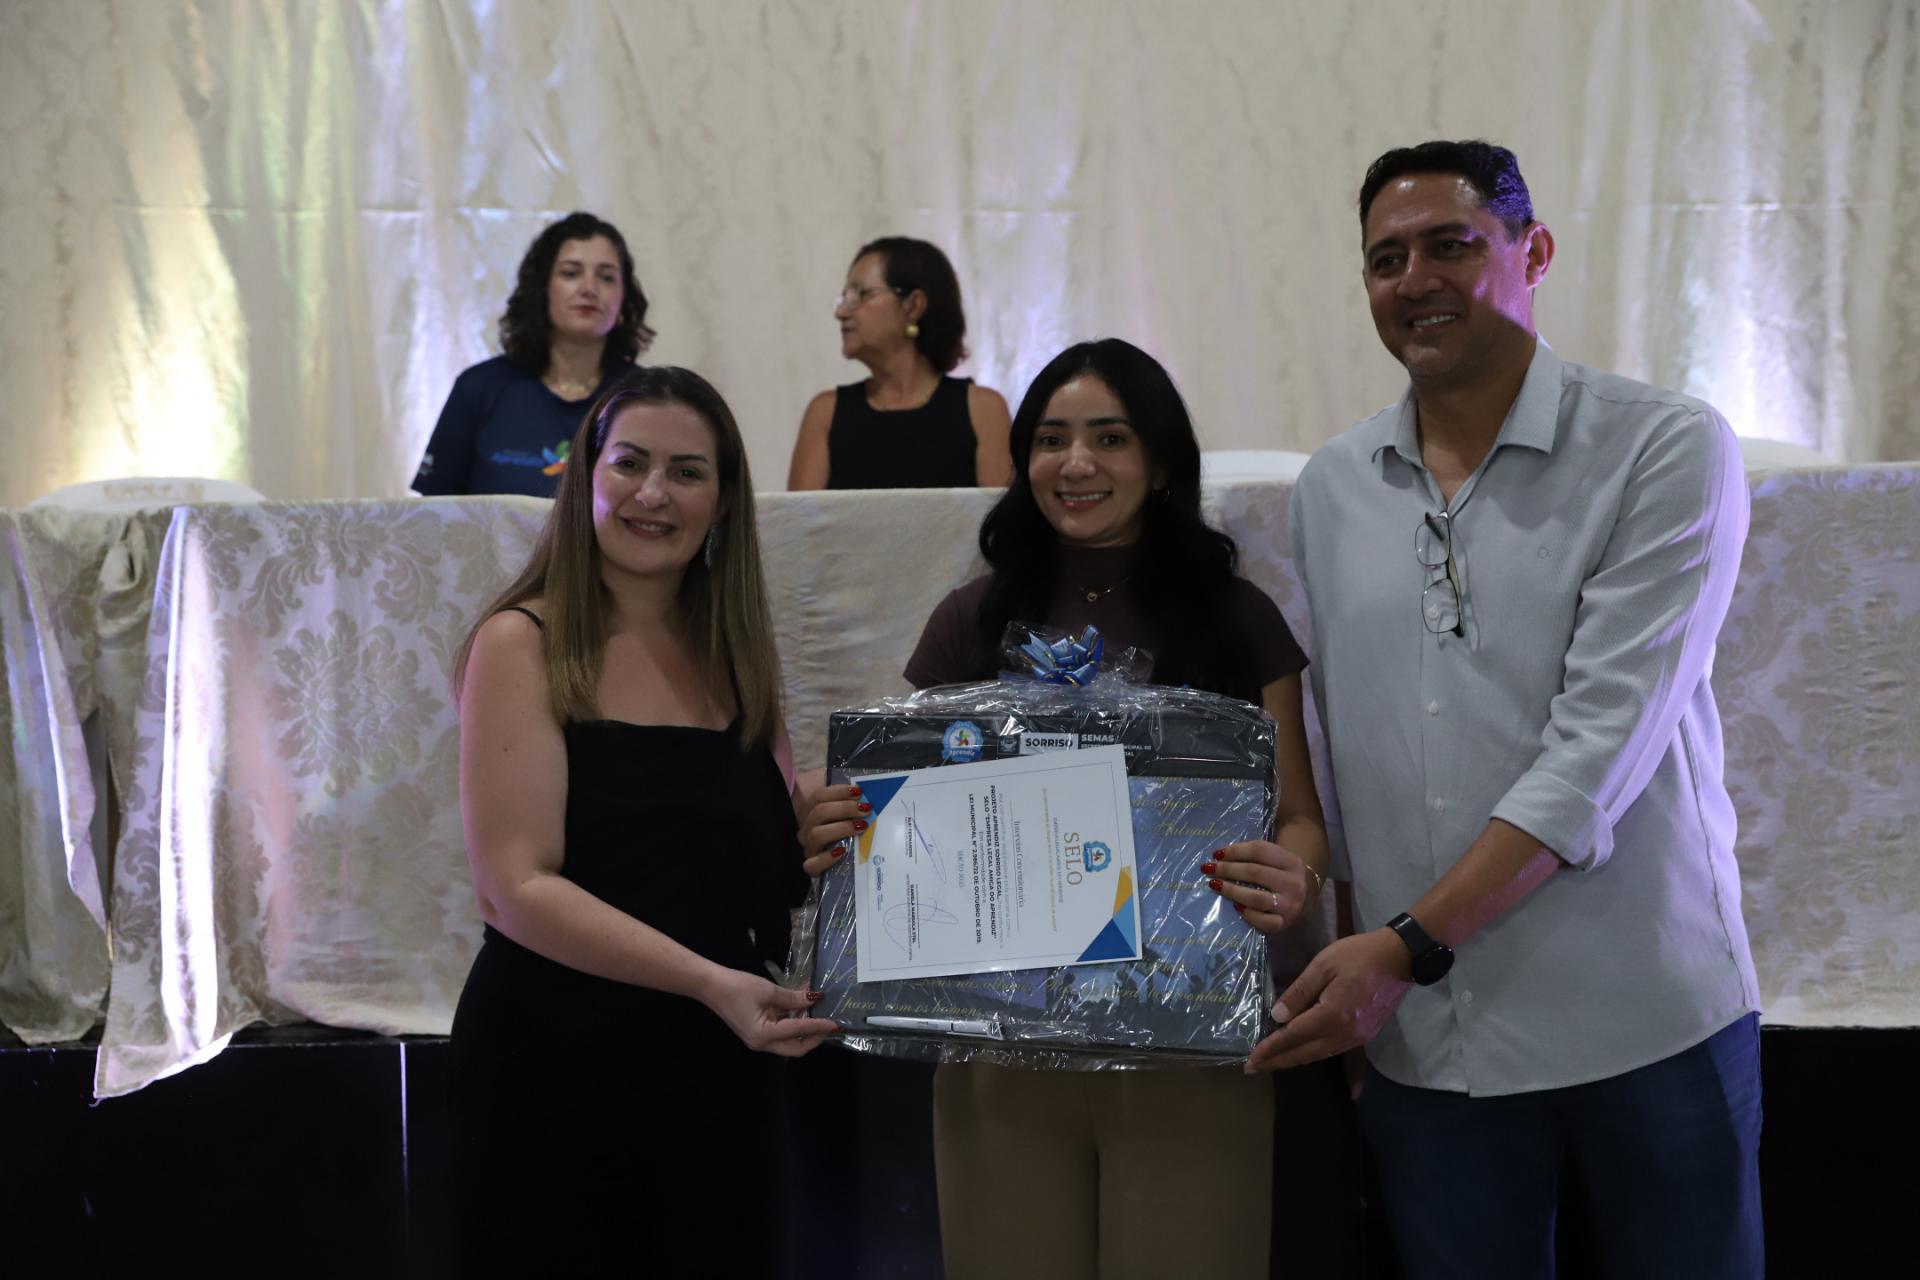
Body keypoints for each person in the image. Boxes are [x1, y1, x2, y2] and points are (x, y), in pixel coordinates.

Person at [1254, 140, 1762, 1279]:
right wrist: (1363, 975)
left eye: (1451, 244)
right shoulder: (1334, 485)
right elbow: (1352, 751)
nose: (1415, 280)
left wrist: (1401, 947)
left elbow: (1596, 757)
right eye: (1386, 258)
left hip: (1641, 1011)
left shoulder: (1662, 446)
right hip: (1429, 1038)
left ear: (1533, 253)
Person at [798, 339, 1357, 1279]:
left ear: (1161, 461)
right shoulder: (972, 619)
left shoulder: (1236, 618)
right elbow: (903, 820)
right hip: (999, 1048)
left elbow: (1301, 817)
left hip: (1189, 1035)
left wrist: (1293, 874)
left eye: (1110, 437)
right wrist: (841, 829)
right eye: (1052, 440)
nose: (1076, 463)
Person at [444, 366, 838, 1272]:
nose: (653, 493)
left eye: (687, 472)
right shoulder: (522, 641)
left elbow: (749, 855)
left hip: (717, 1070)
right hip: (556, 1072)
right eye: (630, 463)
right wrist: (709, 982)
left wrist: (833, 821)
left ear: (724, 501)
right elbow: (514, 888)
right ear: (586, 476)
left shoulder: (732, 653)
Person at [413, 212, 656, 497]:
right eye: (570, 273)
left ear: (624, 297)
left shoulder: (645, 399)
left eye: (606, 277)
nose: (589, 289)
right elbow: (434, 512)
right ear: (542, 289)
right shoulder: (479, 388)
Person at [786, 236, 1013, 490]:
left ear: (913, 306)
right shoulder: (825, 413)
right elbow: (800, 516)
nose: (841, 312)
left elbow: (1003, 515)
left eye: (860, 294)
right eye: (845, 298)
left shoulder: (982, 410)